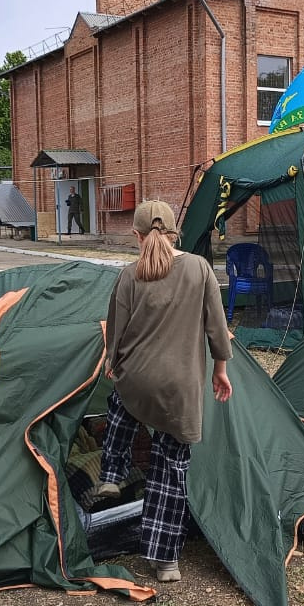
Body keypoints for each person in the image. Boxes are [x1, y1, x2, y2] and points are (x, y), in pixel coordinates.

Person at [96, 200, 233, 583]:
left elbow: (117, 329)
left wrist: (112, 362)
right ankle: (165, 561)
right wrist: (220, 369)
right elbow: (216, 326)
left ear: (137, 236)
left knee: (122, 403)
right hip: (179, 389)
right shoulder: (199, 268)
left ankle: (111, 471)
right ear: (175, 233)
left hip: (137, 379)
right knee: (169, 473)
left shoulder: (129, 275)